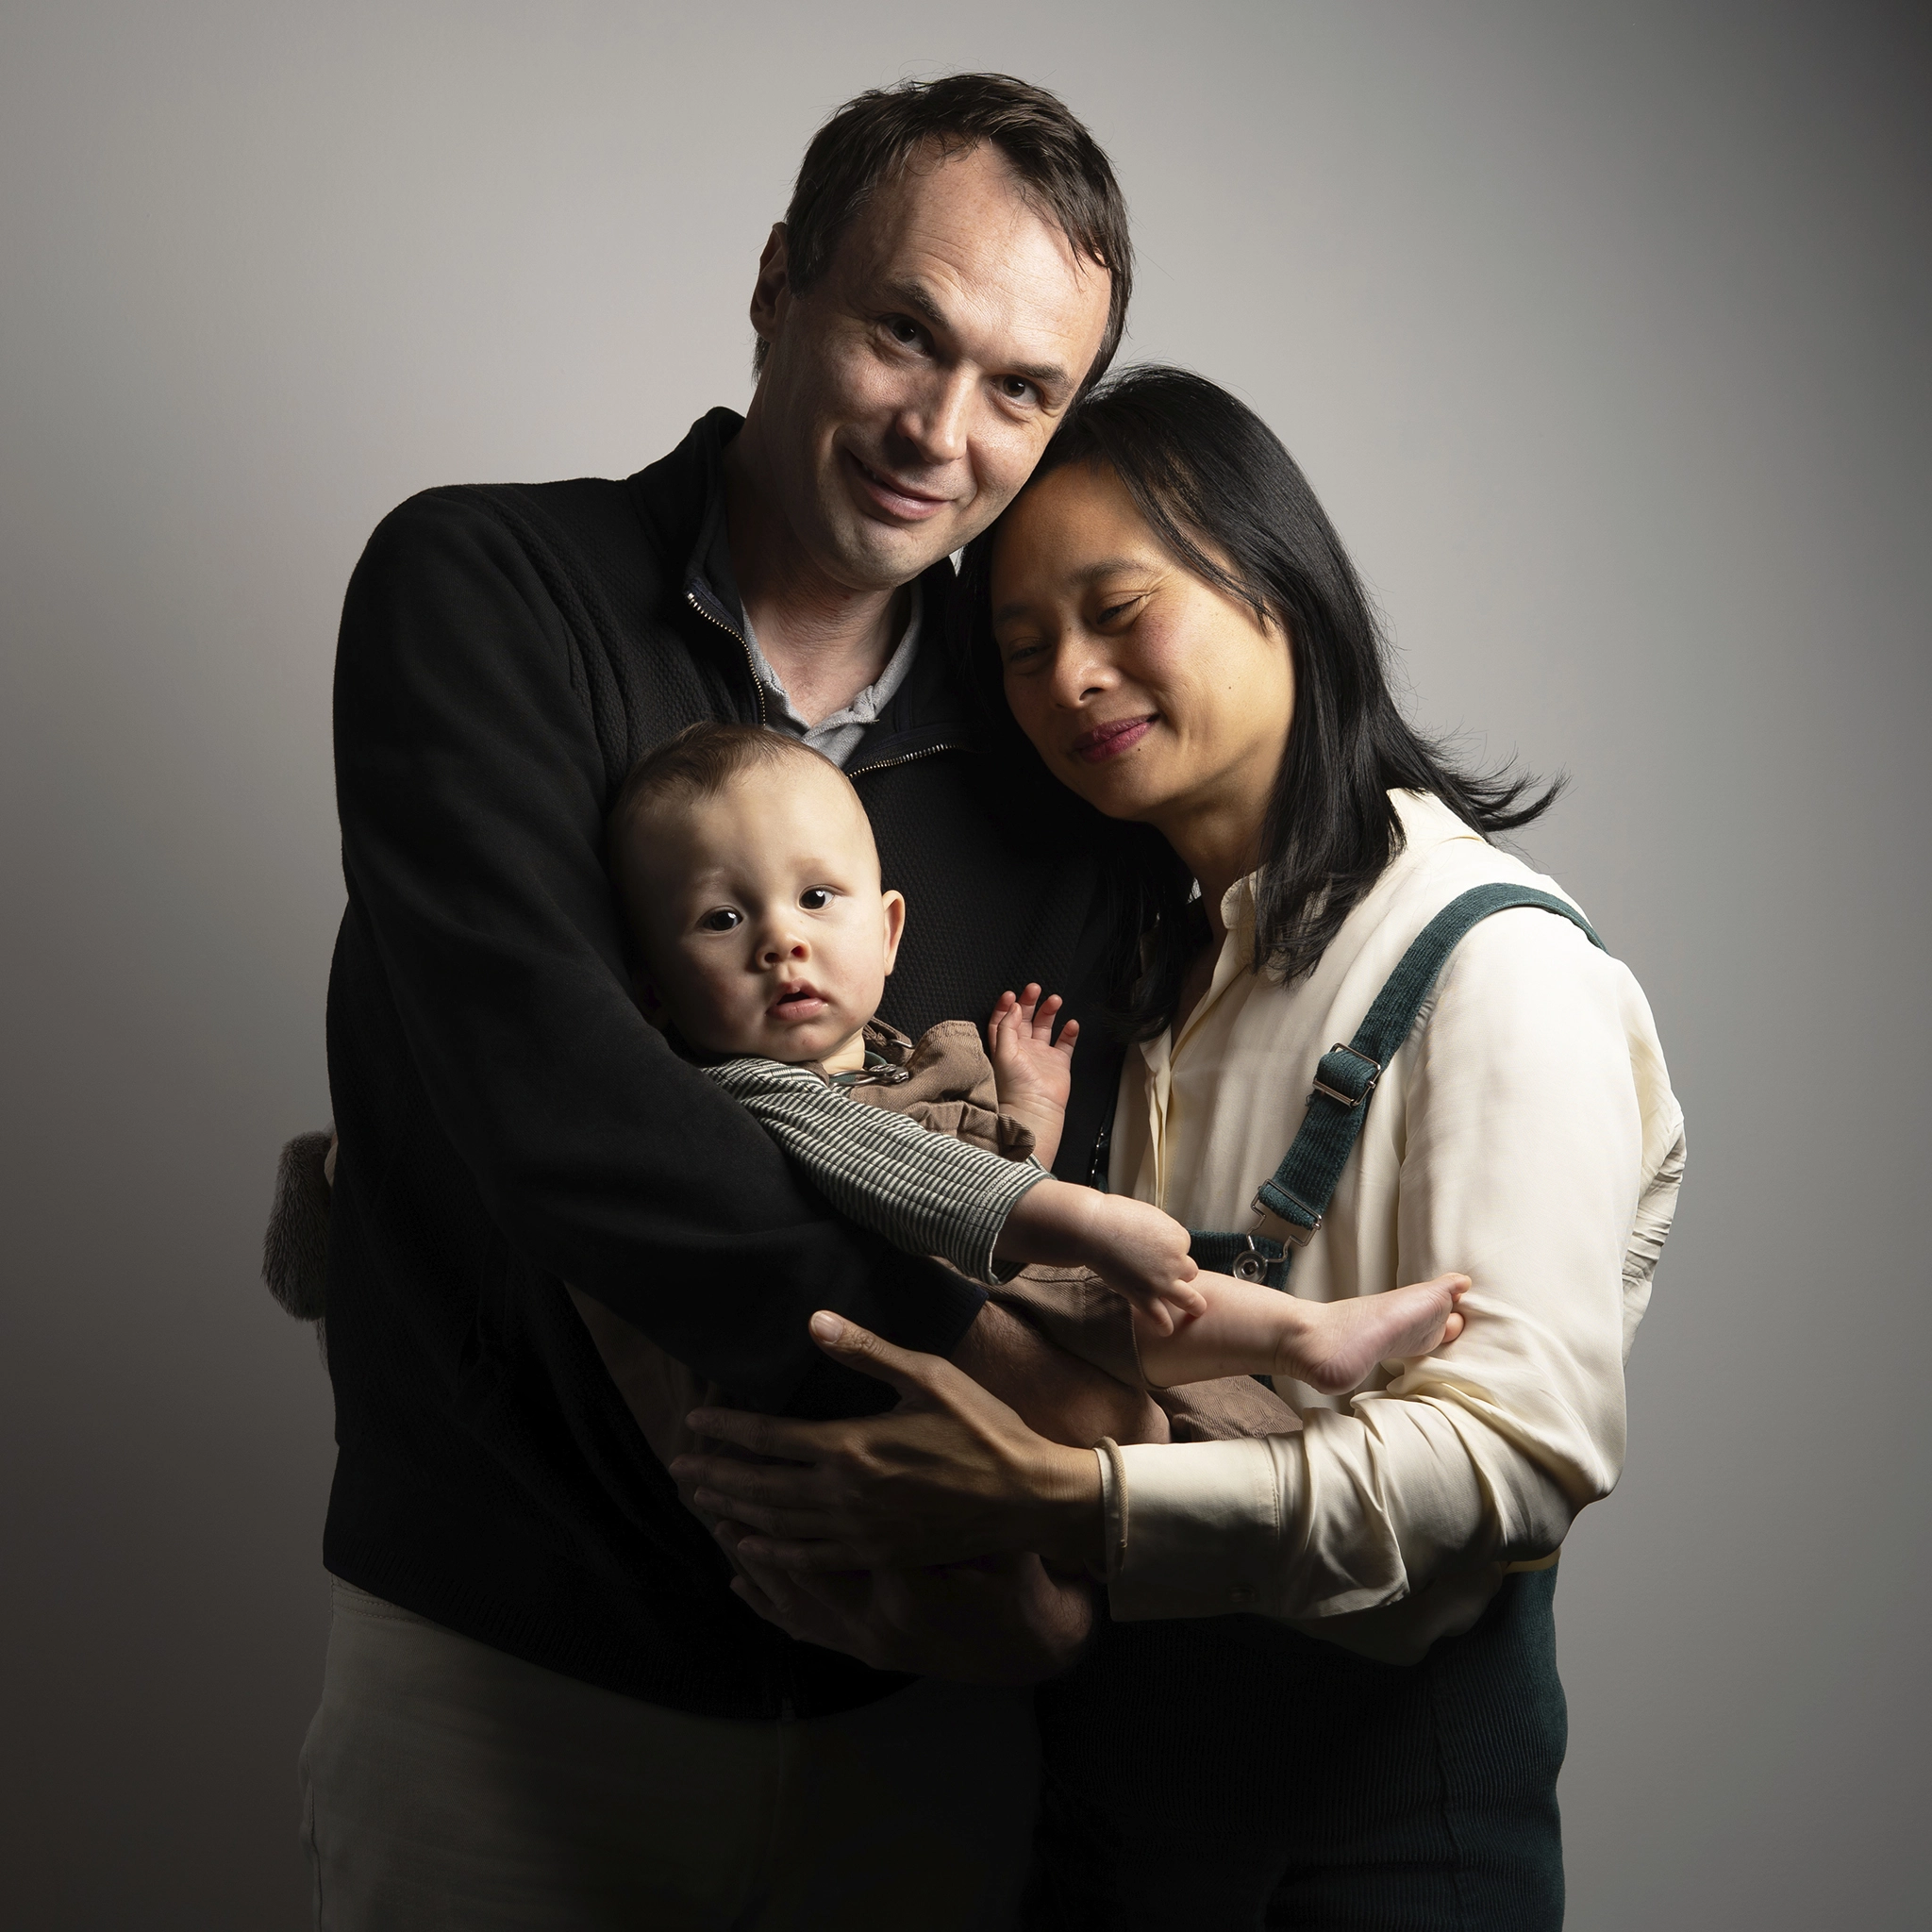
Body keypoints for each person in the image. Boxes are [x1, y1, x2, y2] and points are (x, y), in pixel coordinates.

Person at [298, 74, 1153, 1932]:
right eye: (903, 330)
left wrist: (1035, 1530)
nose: (943, 430)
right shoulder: (487, 591)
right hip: (505, 1665)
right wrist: (999, 1408)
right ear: (778, 284)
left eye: (1022, 389)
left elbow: (1054, 1164)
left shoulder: (1053, 760)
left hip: (911, 1715)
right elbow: (556, 1104)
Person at [674, 367, 1689, 1930]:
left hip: (1373, 1784)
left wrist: (1070, 1498)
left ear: (1274, 579)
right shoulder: (1142, 957)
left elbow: (1518, 1456)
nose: (1069, 675)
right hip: (1110, 1763)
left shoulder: (1493, 963)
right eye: (1021, 650)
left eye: (1115, 609)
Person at [595, 716, 1470, 1434]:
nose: (781, 939)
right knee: (1109, 1303)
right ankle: (1305, 1339)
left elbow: (982, 1192)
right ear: (655, 992)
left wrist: (1030, 1108)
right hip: (913, 1376)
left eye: (816, 898)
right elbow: (924, 1179)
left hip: (994, 1321)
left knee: (1186, 1401)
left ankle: (1293, 1397)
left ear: (891, 932)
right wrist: (1091, 1223)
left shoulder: (893, 1060)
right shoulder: (753, 1097)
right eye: (721, 917)